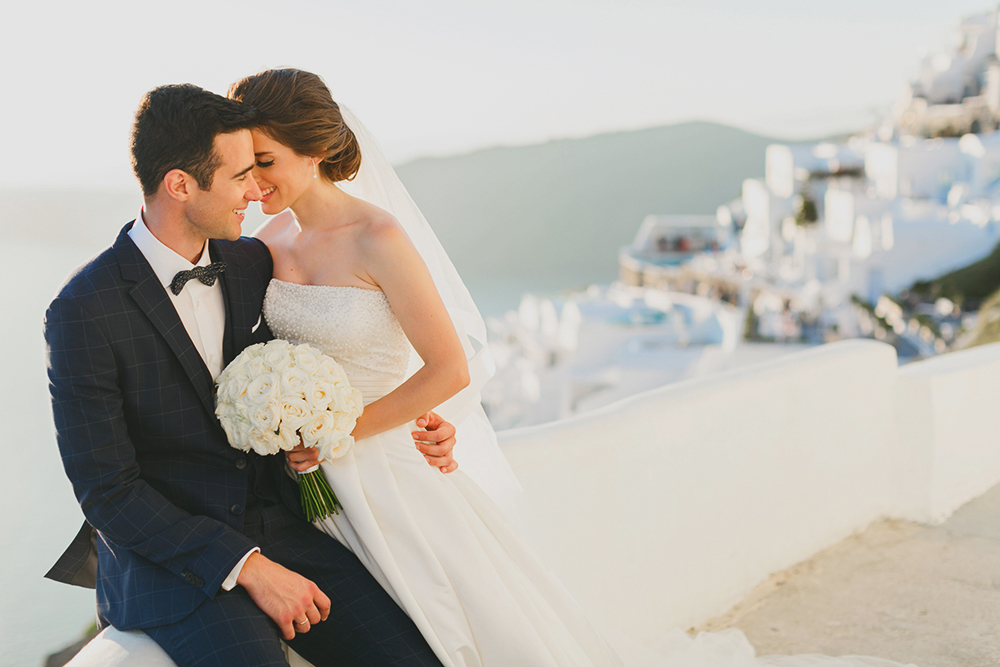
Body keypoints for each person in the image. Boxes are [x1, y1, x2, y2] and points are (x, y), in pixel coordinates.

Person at [228, 69, 916, 667]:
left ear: (315, 149)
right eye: (243, 164)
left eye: (265, 161)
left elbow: (449, 368)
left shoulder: (377, 237)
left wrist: (341, 432)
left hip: (389, 475)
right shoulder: (265, 241)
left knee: (460, 627)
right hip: (307, 481)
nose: (253, 181)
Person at [44, 83, 461, 667]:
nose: (255, 191)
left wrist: (419, 417)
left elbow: (331, 348)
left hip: (285, 528)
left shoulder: (251, 262)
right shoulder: (83, 309)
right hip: (173, 564)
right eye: (240, 175)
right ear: (181, 185)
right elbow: (106, 491)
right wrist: (247, 567)